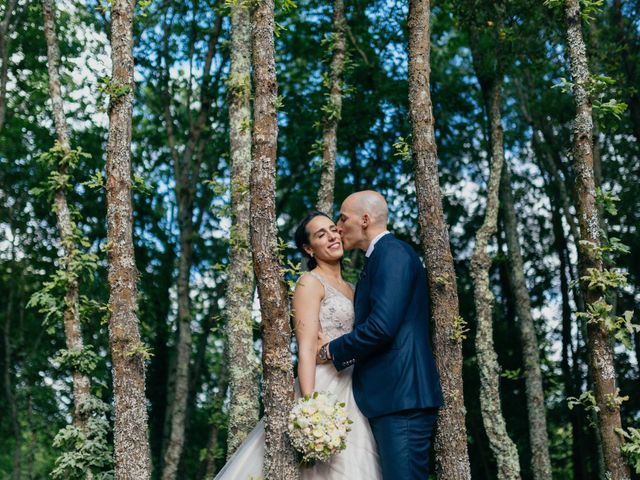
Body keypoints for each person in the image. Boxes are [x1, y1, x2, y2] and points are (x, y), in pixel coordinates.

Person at [214, 211, 381, 480]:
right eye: (320, 234)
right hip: (325, 386)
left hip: (357, 386)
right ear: (308, 248)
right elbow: (305, 350)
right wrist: (310, 406)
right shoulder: (309, 283)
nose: (331, 237)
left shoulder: (353, 287)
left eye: (332, 229)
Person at [317, 190, 444, 479]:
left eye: (343, 218)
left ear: (365, 219)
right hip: (390, 398)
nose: (338, 226)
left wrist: (330, 350)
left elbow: (382, 327)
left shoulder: (393, 253)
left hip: (403, 399)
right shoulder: (378, 258)